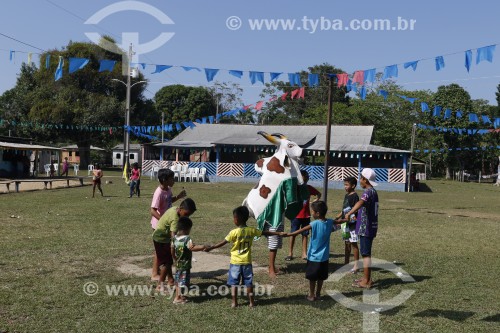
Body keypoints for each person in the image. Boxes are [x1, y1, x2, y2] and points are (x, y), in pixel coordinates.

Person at [205, 206, 288, 308]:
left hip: (235, 262)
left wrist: (211, 247)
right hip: (247, 262)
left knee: (234, 284)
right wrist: (278, 233)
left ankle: (234, 302)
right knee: (249, 283)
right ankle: (252, 302)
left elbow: (223, 243)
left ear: (236, 219)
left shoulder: (233, 232)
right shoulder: (251, 230)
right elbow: (264, 233)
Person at [287, 201, 338, 301]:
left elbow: (300, 231)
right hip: (324, 257)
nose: (311, 214)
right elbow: (339, 221)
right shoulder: (330, 222)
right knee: (321, 277)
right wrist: (347, 219)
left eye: (312, 212)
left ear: (317, 213)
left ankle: (311, 295)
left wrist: (289, 234)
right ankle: (318, 294)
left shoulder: (314, 223)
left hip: (314, 257)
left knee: (312, 278)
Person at [341, 168, 379, 289]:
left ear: (365, 180)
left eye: (361, 178)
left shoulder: (368, 192)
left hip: (366, 227)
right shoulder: (372, 191)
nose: (359, 181)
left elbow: (361, 203)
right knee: (365, 253)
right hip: (366, 227)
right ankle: (366, 277)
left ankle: (367, 281)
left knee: (366, 254)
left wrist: (349, 213)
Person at [150, 168, 187, 281]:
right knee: (160, 251)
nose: (174, 181)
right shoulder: (159, 192)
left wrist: (179, 197)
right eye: (172, 179)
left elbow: (169, 200)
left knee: (164, 250)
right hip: (159, 225)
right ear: (164, 180)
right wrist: (163, 220)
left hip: (167, 224)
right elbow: (152, 210)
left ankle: (163, 272)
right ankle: (154, 274)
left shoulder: (168, 189)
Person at [153, 198, 196, 293]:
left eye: (189, 215)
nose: (187, 217)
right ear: (180, 209)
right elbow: (173, 235)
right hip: (161, 238)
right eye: (186, 214)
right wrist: (180, 245)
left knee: (168, 261)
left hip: (163, 237)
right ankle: (159, 285)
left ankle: (170, 280)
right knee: (167, 263)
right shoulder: (175, 219)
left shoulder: (175, 209)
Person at [286, 170, 321, 261]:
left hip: (306, 216)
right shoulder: (295, 188)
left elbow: (318, 194)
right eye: (302, 179)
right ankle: (290, 253)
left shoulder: (309, 188)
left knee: (305, 235)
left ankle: (304, 253)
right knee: (293, 234)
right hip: (296, 216)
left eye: (305, 179)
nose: (304, 181)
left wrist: (315, 200)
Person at [171, 216, 206, 304]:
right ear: (187, 229)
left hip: (178, 264)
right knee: (182, 282)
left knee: (178, 280)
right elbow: (192, 248)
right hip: (185, 264)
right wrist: (202, 247)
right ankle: (178, 298)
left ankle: (179, 296)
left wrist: (175, 258)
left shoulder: (174, 238)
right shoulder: (187, 238)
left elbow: (171, 249)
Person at [335, 177, 360, 274]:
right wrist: (337, 217)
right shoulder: (346, 195)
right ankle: (346, 264)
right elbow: (344, 209)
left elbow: (355, 210)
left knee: (354, 244)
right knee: (346, 243)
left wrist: (350, 218)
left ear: (353, 186)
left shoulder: (355, 196)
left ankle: (356, 266)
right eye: (344, 185)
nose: (345, 187)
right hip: (344, 224)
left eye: (347, 185)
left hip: (352, 225)